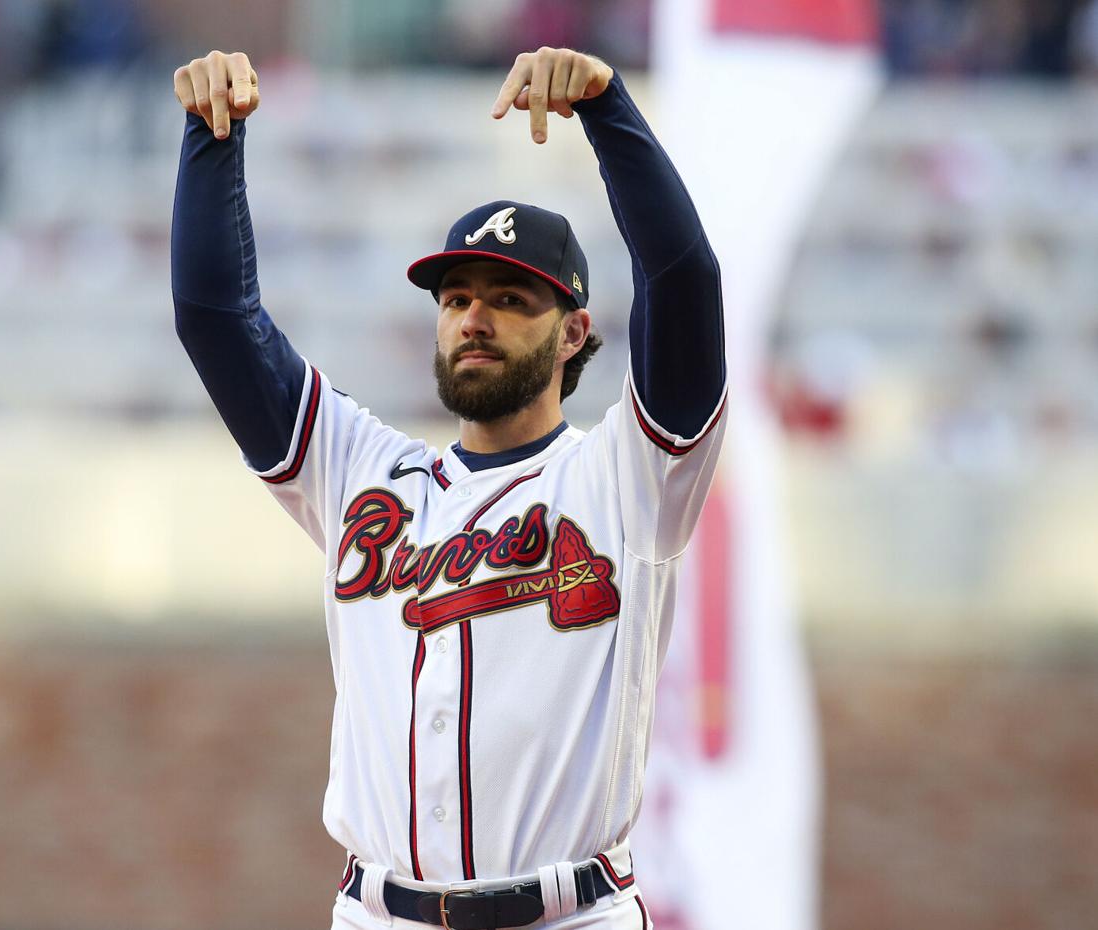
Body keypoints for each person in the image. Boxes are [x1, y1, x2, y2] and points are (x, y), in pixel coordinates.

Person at [172, 45, 725, 930]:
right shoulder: (360, 471)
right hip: (377, 913)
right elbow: (214, 320)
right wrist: (211, 138)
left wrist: (608, 112)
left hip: (568, 914)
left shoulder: (629, 478)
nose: (474, 316)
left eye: (511, 298)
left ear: (576, 330)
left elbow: (684, 281)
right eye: (456, 295)